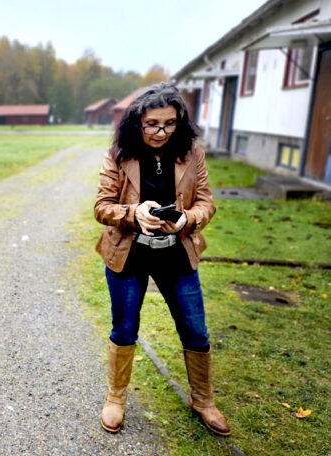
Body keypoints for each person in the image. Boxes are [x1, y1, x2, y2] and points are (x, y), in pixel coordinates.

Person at [94, 82, 230, 436]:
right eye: (152, 124)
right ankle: (116, 398)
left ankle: (203, 400)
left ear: (179, 122)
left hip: (177, 253)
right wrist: (133, 213)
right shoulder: (119, 153)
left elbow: (206, 201)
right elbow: (101, 207)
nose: (161, 132)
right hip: (129, 254)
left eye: (169, 123)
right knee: (124, 330)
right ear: (137, 121)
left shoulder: (191, 152)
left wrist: (190, 219)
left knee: (196, 332)